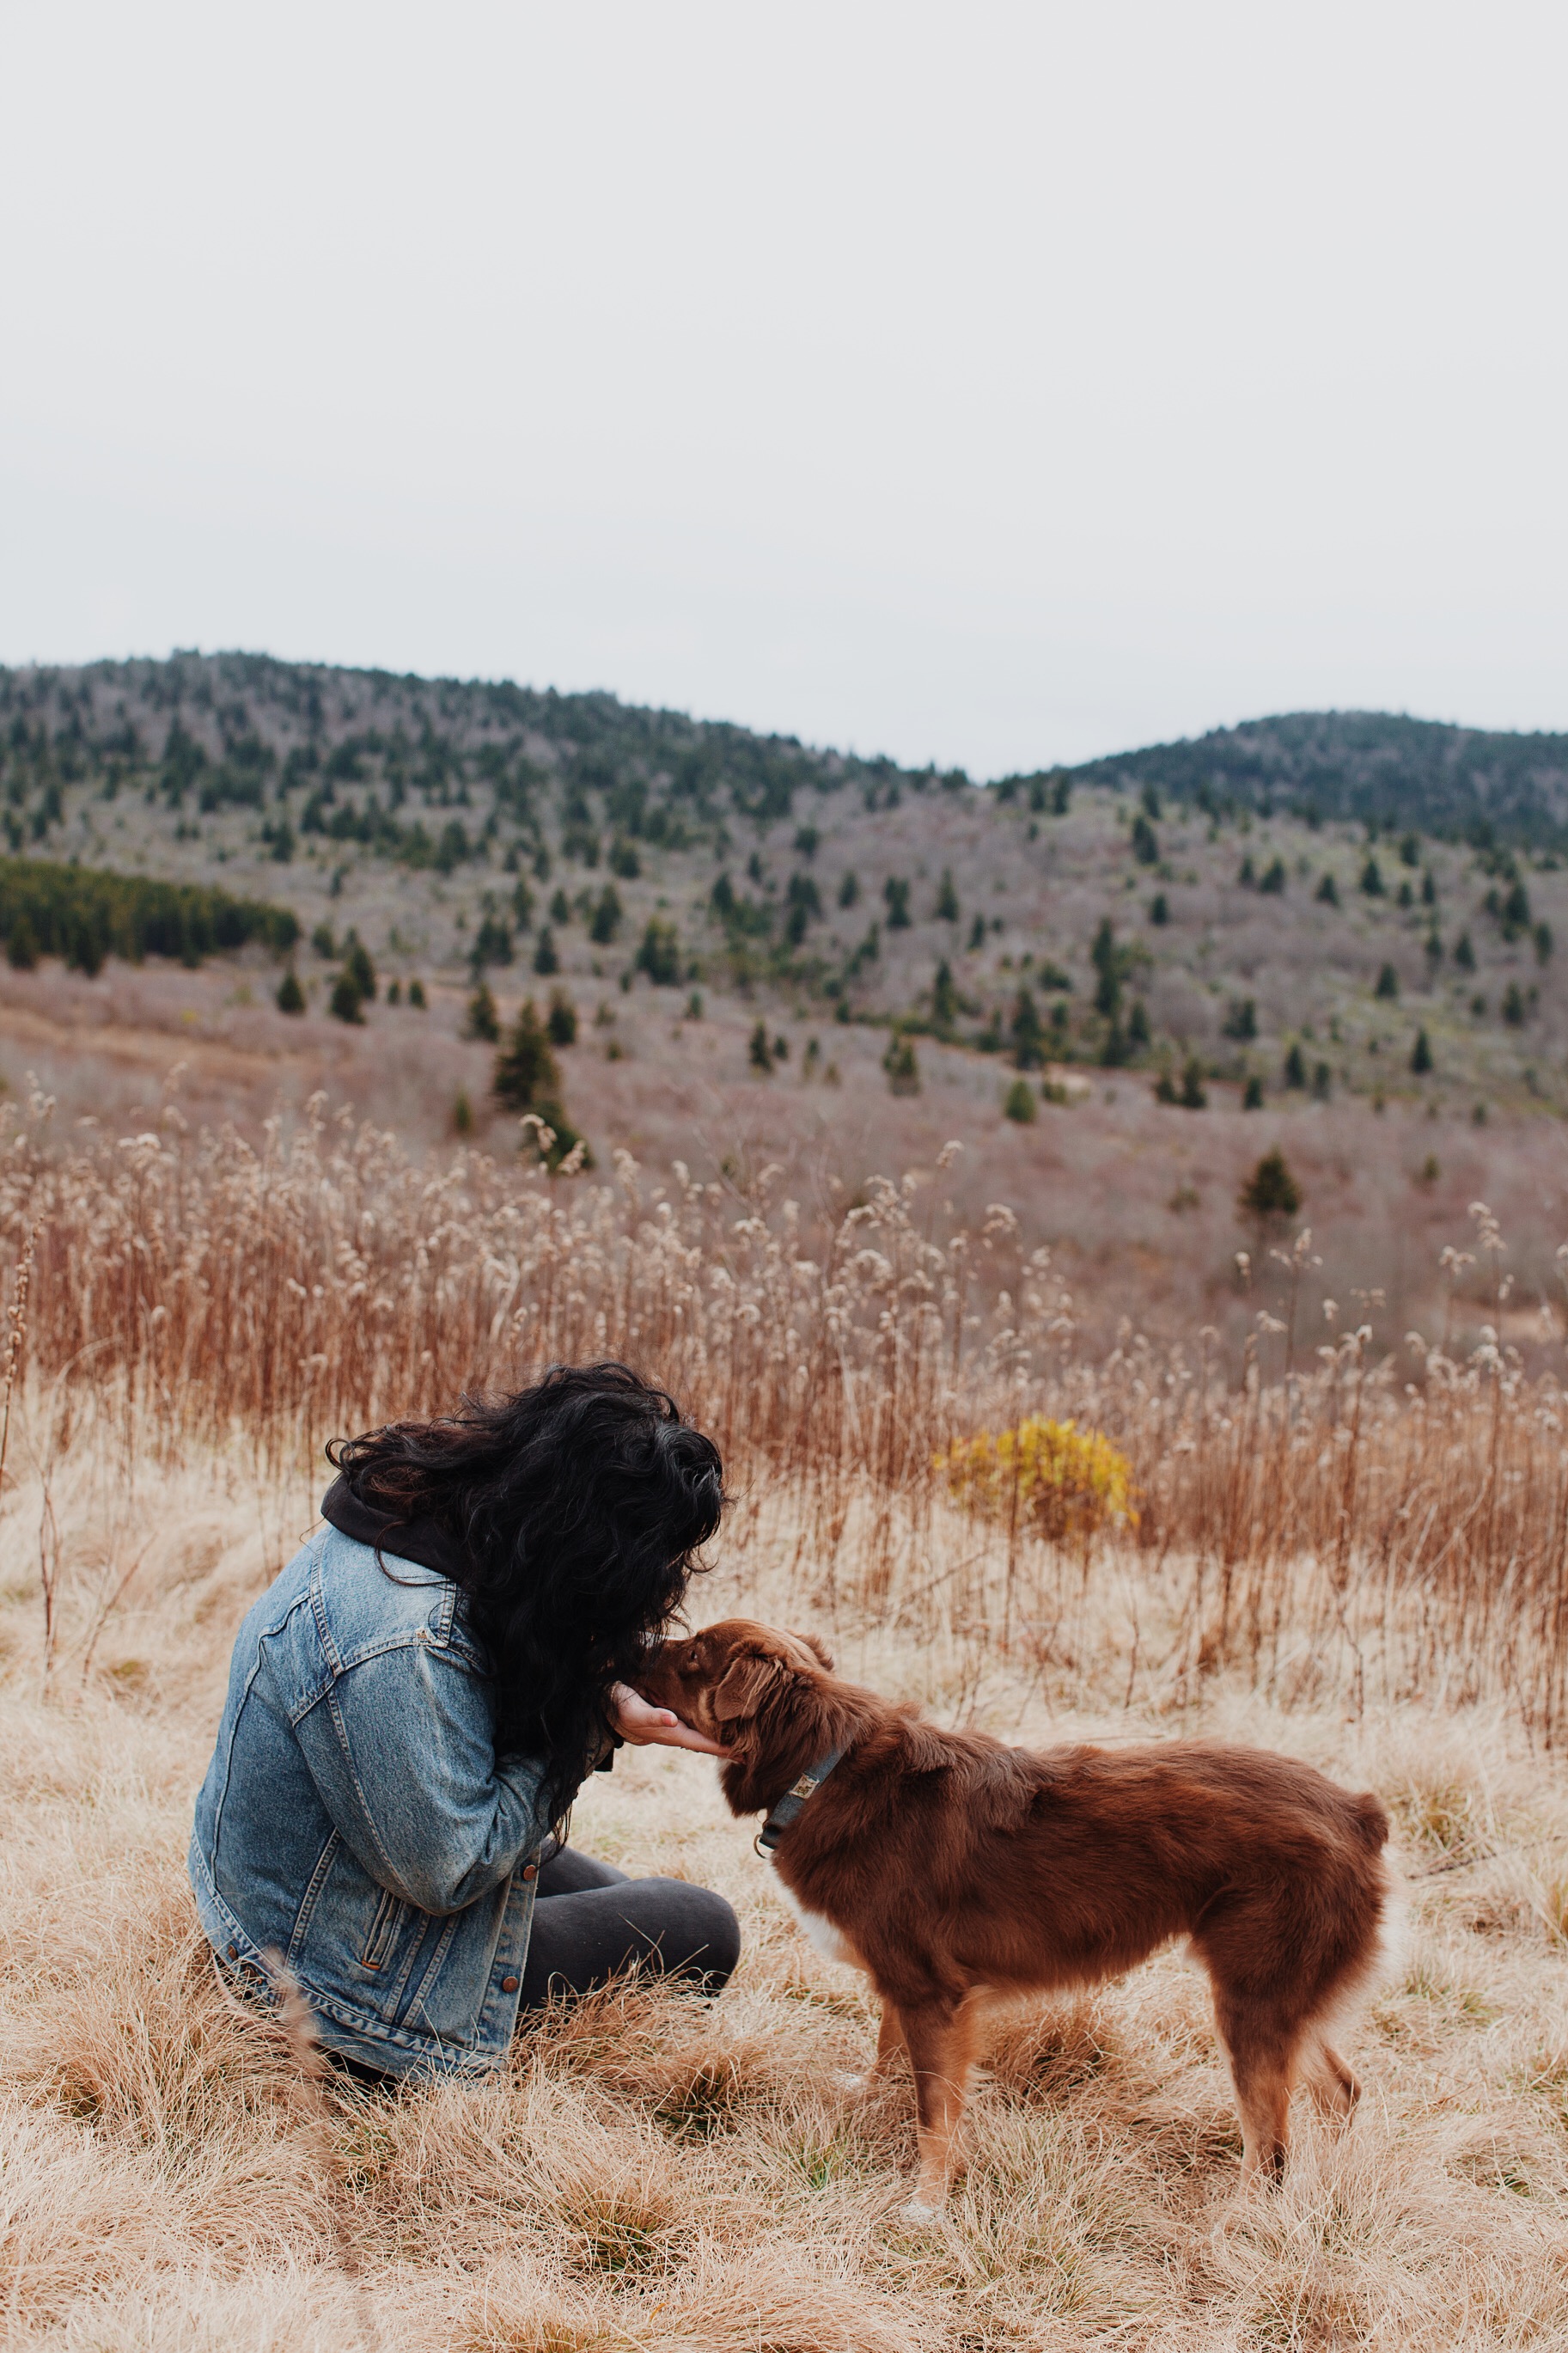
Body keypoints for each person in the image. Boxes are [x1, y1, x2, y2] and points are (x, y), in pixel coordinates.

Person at [189, 1362, 739, 2081]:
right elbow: (449, 1871)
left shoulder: (421, 1520)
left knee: (615, 1888)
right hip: (318, 1983)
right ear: (586, 1550)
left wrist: (611, 1685)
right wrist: (589, 1731)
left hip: (292, 1896)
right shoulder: (404, 1642)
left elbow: (511, 1634)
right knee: (700, 1925)